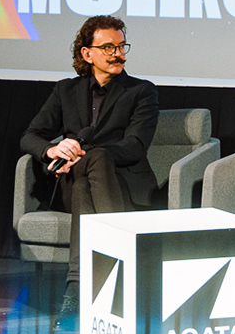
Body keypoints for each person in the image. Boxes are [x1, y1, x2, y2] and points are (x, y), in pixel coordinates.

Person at [19, 16, 159, 311]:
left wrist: (86, 153)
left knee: (85, 184)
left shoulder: (142, 91)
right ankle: (123, 266)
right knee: (85, 174)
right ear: (87, 53)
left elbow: (135, 147)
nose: (117, 54)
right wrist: (53, 149)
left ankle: (75, 290)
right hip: (69, 180)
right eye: (108, 47)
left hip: (121, 183)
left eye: (121, 46)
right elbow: (29, 136)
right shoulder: (65, 91)